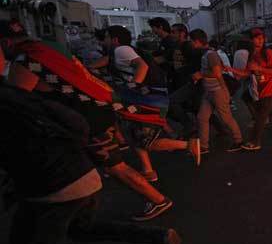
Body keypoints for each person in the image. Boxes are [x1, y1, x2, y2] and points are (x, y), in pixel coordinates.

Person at [0, 84, 182, 244]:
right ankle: (154, 235)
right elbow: (77, 123)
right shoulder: (13, 92)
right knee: (80, 228)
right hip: (81, 171)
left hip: (53, 186)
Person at [6, 32, 175, 221]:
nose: (103, 42)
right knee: (98, 163)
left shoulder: (25, 60)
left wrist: (133, 87)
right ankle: (83, 209)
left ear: (6, 41)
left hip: (86, 116)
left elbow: (16, 101)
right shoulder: (47, 49)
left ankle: (157, 199)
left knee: (114, 166)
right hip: (94, 108)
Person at [91, 26, 200, 182]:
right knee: (135, 135)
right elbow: (104, 61)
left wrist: (134, 87)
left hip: (145, 99)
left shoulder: (121, 50)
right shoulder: (117, 53)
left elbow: (142, 66)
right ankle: (148, 170)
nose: (104, 41)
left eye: (107, 37)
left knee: (147, 141)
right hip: (147, 97)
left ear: (114, 39)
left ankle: (187, 145)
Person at [189, 29, 243, 153]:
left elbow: (217, 73)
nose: (191, 44)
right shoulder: (206, 54)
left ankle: (239, 140)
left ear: (197, 41)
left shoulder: (211, 54)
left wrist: (200, 75)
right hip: (209, 92)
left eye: (191, 41)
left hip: (217, 91)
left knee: (226, 118)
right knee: (202, 117)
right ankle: (203, 146)